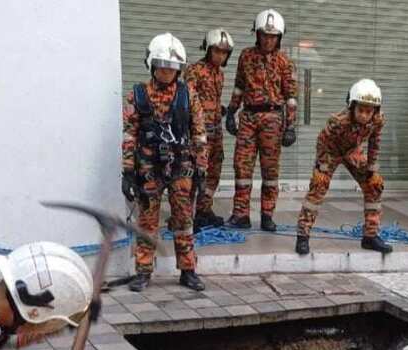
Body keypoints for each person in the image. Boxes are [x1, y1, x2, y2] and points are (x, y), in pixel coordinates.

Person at [121, 33, 207, 292]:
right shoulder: (138, 95)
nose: (168, 71)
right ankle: (143, 271)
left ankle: (188, 270)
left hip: (181, 166)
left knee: (183, 220)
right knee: (148, 221)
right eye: (163, 66)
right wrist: (127, 171)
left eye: (173, 67)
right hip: (149, 168)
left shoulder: (188, 94)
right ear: (152, 65)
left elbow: (199, 133)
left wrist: (201, 168)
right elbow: (129, 135)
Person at [295, 79, 391, 256]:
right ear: (352, 106)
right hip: (330, 151)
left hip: (353, 151)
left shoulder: (378, 120)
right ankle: (303, 236)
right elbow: (322, 141)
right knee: (318, 186)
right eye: (360, 110)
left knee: (374, 185)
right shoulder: (338, 121)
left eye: (368, 111)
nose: (364, 115)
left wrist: (371, 167)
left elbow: (374, 142)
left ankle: (370, 236)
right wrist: (322, 164)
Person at [225, 8, 297, 231]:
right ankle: (241, 214)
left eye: (273, 36)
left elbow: (291, 96)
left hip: (273, 119)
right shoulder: (246, 56)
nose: (268, 40)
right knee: (242, 167)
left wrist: (290, 126)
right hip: (248, 116)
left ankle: (267, 215)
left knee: (270, 170)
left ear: (279, 37)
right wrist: (231, 112)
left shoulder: (285, 61)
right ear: (257, 34)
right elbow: (238, 86)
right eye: (265, 35)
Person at [185, 28, 234, 231]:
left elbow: (212, 99)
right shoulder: (194, 70)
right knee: (196, 172)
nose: (220, 55)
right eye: (217, 51)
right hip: (199, 132)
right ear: (208, 49)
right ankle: (187, 214)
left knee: (214, 171)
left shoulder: (220, 75)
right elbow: (188, 100)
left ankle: (204, 209)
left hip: (216, 130)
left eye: (224, 52)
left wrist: (220, 109)